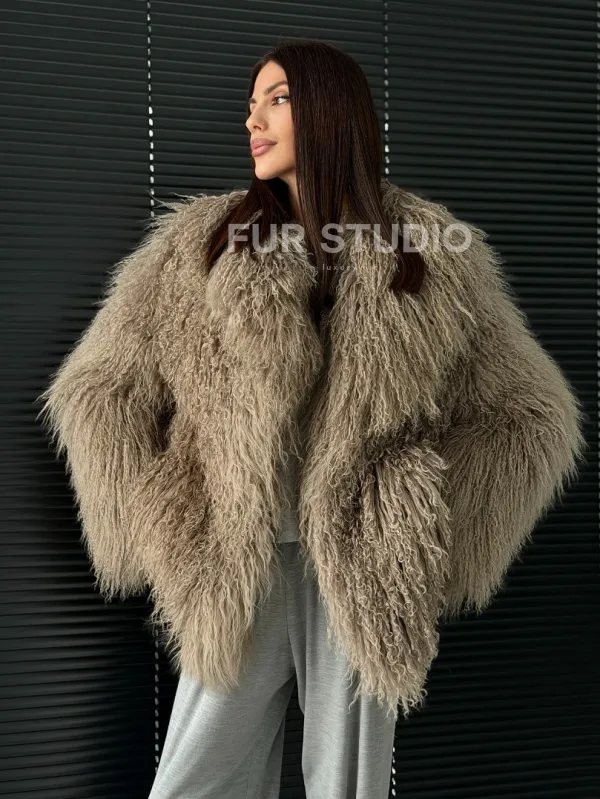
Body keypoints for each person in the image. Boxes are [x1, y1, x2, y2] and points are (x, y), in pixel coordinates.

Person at [36, 40, 587, 799]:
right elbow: (98, 391)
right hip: (238, 552)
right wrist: (157, 519)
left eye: (277, 99)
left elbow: (530, 416)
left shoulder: (428, 250)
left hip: (361, 563)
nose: (252, 120)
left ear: (330, 112)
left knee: (349, 784)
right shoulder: (202, 244)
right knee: (197, 778)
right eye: (251, 103)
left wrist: (424, 525)